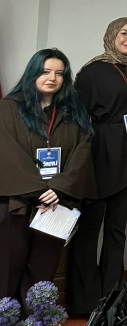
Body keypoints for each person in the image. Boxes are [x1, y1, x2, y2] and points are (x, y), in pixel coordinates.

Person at [0, 49, 95, 303]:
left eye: (59, 73)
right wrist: (39, 189)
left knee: (43, 268)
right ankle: (5, 321)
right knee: (9, 266)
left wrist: (58, 188)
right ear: (32, 73)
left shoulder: (73, 112)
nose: (52, 78)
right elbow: (8, 152)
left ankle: (36, 320)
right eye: (45, 71)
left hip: (56, 203)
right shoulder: (9, 108)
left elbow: (82, 152)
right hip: (17, 201)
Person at [69, 17, 127, 315]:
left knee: (116, 230)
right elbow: (77, 120)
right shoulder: (91, 72)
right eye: (124, 33)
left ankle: (111, 298)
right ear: (111, 35)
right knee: (89, 231)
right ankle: (85, 300)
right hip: (98, 156)